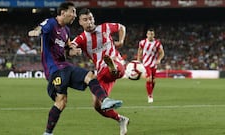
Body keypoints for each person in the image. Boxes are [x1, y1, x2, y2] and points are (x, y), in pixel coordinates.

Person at [28, 2, 123, 135]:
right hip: (54, 69)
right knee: (61, 102)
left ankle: (105, 100)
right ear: (63, 13)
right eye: (72, 12)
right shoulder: (51, 23)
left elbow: (67, 50)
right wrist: (36, 31)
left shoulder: (66, 30)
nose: (74, 15)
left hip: (65, 66)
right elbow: (41, 28)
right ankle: (48, 133)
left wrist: (73, 51)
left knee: (90, 76)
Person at [71, 8, 129, 135]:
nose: (89, 22)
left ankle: (112, 66)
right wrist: (73, 51)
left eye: (91, 18)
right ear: (80, 22)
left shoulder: (105, 27)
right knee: (97, 106)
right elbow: (71, 47)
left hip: (116, 63)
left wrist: (121, 40)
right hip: (102, 72)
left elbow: (121, 27)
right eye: (85, 20)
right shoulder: (81, 38)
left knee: (112, 66)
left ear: (94, 19)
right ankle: (121, 119)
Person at [137, 28, 165, 103]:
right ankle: (150, 96)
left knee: (153, 80)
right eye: (149, 34)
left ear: (154, 35)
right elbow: (139, 51)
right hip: (146, 63)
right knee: (149, 79)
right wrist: (138, 60)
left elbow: (162, 53)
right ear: (147, 35)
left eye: (152, 34)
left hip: (154, 64)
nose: (150, 35)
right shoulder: (142, 42)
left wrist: (159, 59)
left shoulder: (157, 43)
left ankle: (150, 93)